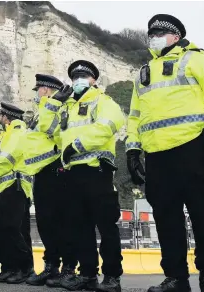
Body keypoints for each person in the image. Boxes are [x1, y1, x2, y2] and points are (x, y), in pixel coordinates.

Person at [124, 14, 204, 292]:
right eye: (151, 33)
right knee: (166, 219)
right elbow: (135, 116)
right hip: (157, 155)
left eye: (160, 32)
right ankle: (176, 278)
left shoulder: (197, 60)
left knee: (201, 216)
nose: (154, 37)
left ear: (176, 36)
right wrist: (132, 149)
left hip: (191, 148)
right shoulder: (143, 73)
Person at [57, 60, 125, 292]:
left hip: (97, 171)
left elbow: (110, 125)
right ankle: (87, 274)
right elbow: (57, 136)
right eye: (74, 77)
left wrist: (76, 145)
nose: (78, 80)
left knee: (106, 226)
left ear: (94, 79)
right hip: (73, 174)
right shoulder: (68, 109)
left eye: (83, 76)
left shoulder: (103, 101)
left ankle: (112, 277)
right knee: (80, 227)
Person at [24, 74, 77, 287]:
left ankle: (68, 268)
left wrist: (54, 104)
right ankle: (51, 266)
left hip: (57, 168)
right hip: (42, 170)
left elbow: (53, 131)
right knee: (46, 223)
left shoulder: (62, 106)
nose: (37, 93)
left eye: (39, 89)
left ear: (46, 89)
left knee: (61, 222)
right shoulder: (44, 109)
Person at [0, 102, 33, 284]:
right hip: (4, 188)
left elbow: (6, 159)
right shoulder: (7, 135)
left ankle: (22, 268)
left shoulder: (17, 134)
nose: (0, 119)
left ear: (7, 118)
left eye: (1, 116)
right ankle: (11, 267)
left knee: (13, 229)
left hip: (13, 187)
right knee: (6, 230)